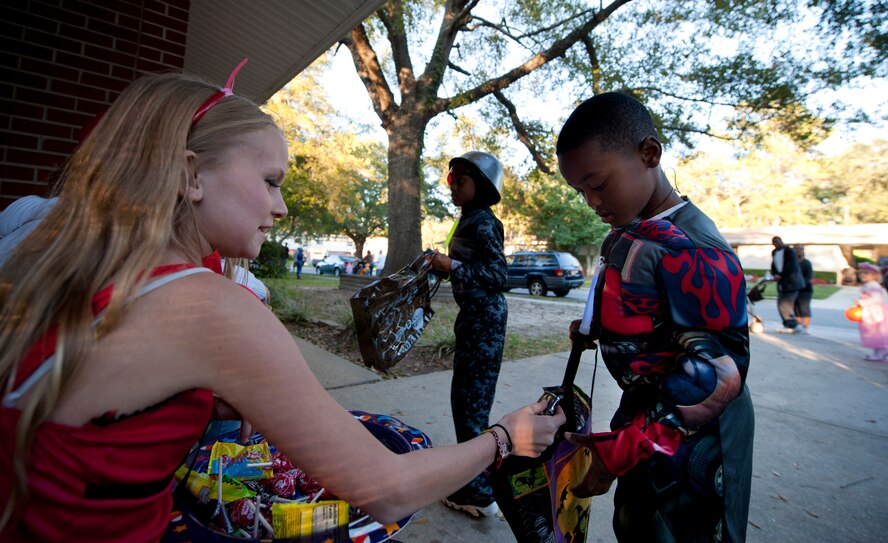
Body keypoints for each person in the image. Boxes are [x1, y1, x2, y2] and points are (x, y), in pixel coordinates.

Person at [0, 67, 565, 541]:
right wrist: (503, 438)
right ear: (191, 174)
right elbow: (386, 490)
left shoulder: (82, 265)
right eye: (271, 180)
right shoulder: (211, 306)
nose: (284, 206)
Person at [556, 92, 754, 542]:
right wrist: (603, 330)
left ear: (649, 153)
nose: (590, 201)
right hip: (647, 416)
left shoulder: (694, 248)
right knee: (637, 526)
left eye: (598, 185)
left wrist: (621, 450)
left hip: (695, 435)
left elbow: (716, 373)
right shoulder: (632, 229)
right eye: (580, 190)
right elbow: (649, 309)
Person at [428, 151, 509, 518]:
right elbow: (475, 268)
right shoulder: (470, 219)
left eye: (460, 181)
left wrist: (453, 265)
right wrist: (445, 267)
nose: (453, 187)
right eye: (451, 181)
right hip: (474, 319)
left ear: (483, 185)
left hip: (484, 323)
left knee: (471, 405)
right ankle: (475, 481)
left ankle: (477, 491)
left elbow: (498, 276)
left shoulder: (483, 223)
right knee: (466, 403)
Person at [770, 236, 805, 333]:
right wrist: (775, 275)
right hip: (782, 283)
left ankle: (793, 324)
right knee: (781, 303)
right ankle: (787, 324)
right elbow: (774, 265)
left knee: (786, 304)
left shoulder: (789, 251)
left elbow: (791, 266)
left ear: (781, 241)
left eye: (777, 242)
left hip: (791, 282)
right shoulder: (774, 252)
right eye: (774, 243)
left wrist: (781, 275)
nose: (776, 244)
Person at [854, 263, 888, 362]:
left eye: (866, 273)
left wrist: (861, 302)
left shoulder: (874, 285)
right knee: (872, 332)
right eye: (861, 273)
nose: (862, 275)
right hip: (869, 312)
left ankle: (881, 352)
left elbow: (877, 299)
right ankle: (877, 352)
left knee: (876, 332)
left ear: (874, 275)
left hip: (875, 313)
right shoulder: (868, 285)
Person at [794, 244, 814, 334]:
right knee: (796, 308)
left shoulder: (807, 263)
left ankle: (805, 327)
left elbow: (809, 277)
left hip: (805, 289)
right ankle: (798, 326)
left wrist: (800, 284)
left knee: (804, 308)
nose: (799, 250)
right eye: (797, 249)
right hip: (794, 289)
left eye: (801, 249)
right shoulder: (792, 262)